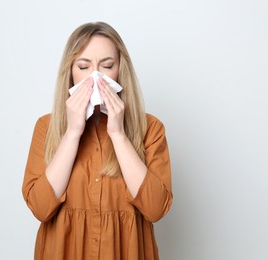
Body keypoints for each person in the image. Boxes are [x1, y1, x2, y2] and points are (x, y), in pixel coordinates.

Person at [22, 21, 172, 260]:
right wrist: (72, 133)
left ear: (120, 69)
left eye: (107, 65)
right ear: (70, 72)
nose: (95, 76)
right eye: (83, 66)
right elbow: (40, 208)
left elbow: (155, 209)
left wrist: (119, 134)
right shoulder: (46, 127)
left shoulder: (150, 128)